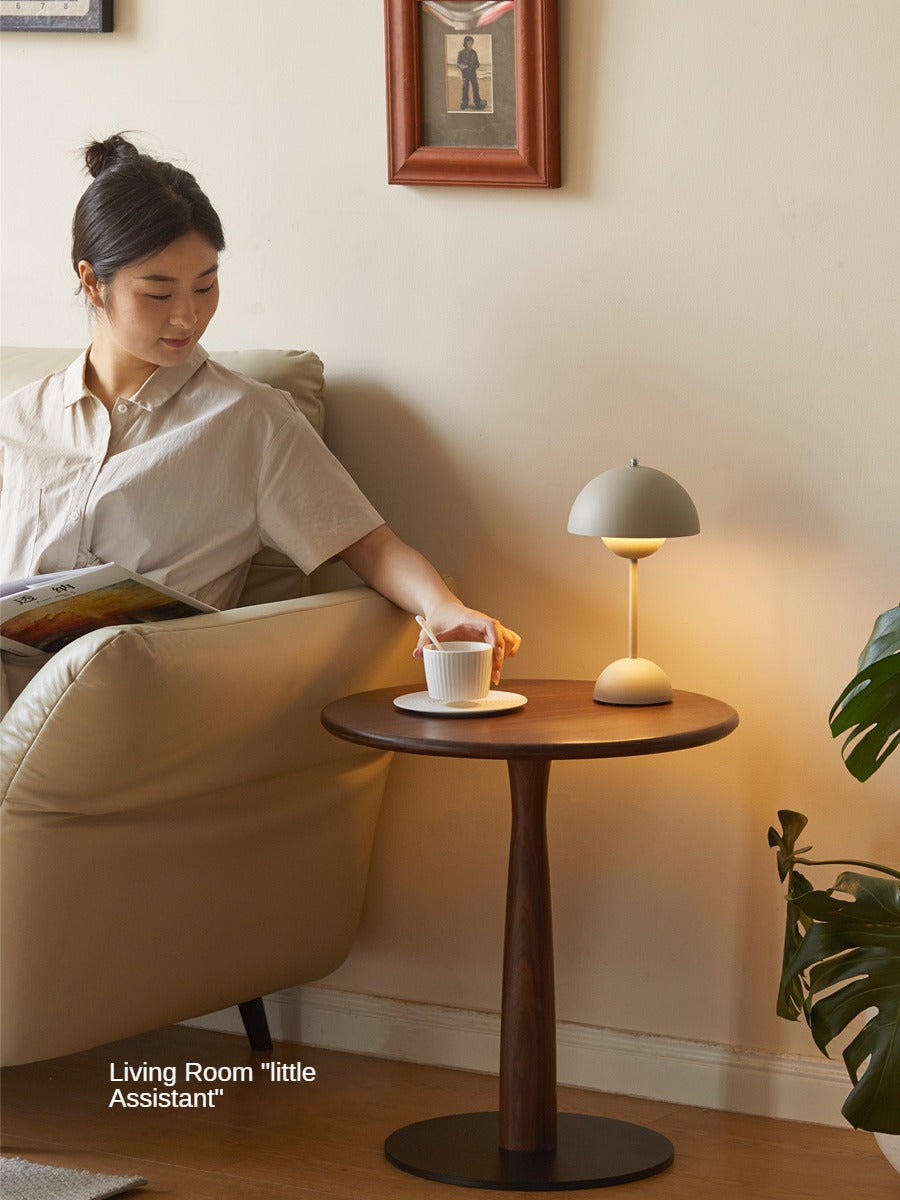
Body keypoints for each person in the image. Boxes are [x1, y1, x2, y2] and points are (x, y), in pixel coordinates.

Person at [0, 135, 520, 706]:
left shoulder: (251, 420)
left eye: (205, 285)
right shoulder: (20, 420)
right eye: (158, 293)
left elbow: (369, 546)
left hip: (132, 706)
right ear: (92, 282)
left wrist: (443, 608)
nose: (188, 315)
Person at [456, 36, 486, 110]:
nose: (471, 44)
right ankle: (465, 103)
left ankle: (477, 103)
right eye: (469, 43)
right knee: (465, 88)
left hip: (473, 73)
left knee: (476, 88)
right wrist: (464, 66)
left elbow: (478, 63)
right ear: (465, 43)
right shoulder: (461, 53)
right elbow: (458, 64)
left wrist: (475, 66)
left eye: (472, 43)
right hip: (465, 74)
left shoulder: (474, 52)